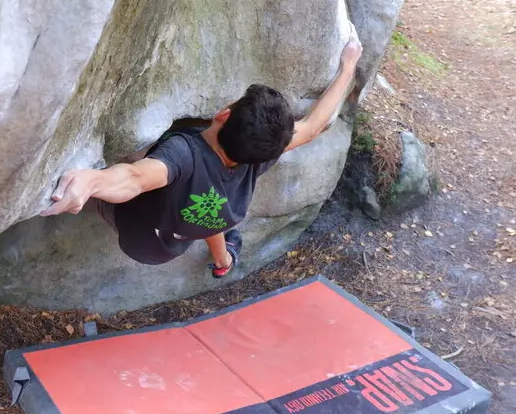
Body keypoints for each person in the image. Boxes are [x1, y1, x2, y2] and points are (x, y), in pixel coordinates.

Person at [40, 25, 365, 277]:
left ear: (223, 114)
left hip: (137, 237)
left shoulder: (183, 152)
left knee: (135, 153)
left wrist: (91, 182)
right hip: (175, 241)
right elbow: (311, 128)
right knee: (215, 212)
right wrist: (348, 68)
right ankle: (223, 259)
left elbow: (136, 177)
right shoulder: (259, 159)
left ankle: (223, 252)